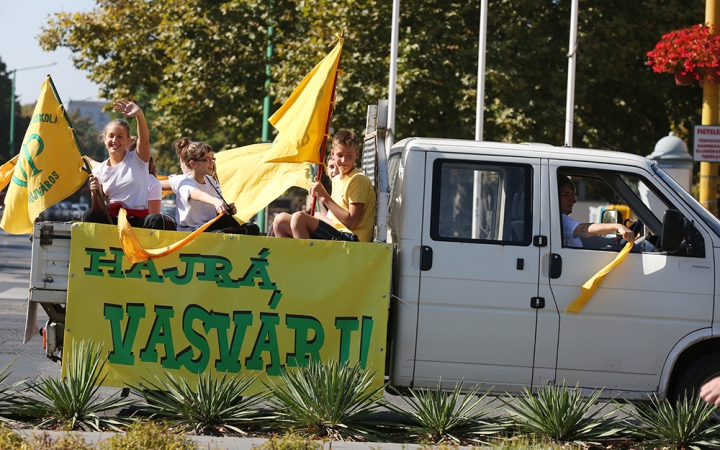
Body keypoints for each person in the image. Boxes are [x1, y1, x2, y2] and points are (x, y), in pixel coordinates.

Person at [81, 100, 171, 230]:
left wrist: (139, 115)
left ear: (128, 140)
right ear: (104, 139)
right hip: (112, 222)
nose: (115, 141)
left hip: (137, 221)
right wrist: (95, 193)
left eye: (120, 136)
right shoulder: (99, 171)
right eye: (111, 136)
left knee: (156, 219)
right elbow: (98, 210)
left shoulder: (137, 160)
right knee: (88, 215)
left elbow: (144, 141)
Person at [273, 129, 376, 242]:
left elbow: (351, 223)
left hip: (353, 239)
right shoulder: (337, 180)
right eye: (340, 155)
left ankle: (306, 259)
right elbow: (335, 220)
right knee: (280, 220)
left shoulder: (357, 179)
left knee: (299, 218)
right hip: (338, 233)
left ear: (356, 154)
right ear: (332, 154)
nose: (344, 160)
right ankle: (294, 258)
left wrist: (323, 196)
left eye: (349, 155)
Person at [173, 138, 258, 234]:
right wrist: (216, 201)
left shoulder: (211, 181)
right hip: (190, 231)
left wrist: (225, 208)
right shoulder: (185, 182)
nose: (212, 163)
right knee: (222, 234)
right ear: (193, 163)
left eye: (212, 159)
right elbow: (199, 195)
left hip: (209, 227)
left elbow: (214, 210)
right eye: (207, 160)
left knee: (252, 228)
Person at [559, 175, 635, 247]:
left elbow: (590, 240)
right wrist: (617, 226)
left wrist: (613, 240)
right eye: (565, 194)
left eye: (572, 194)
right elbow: (584, 230)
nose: (573, 200)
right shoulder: (559, 220)